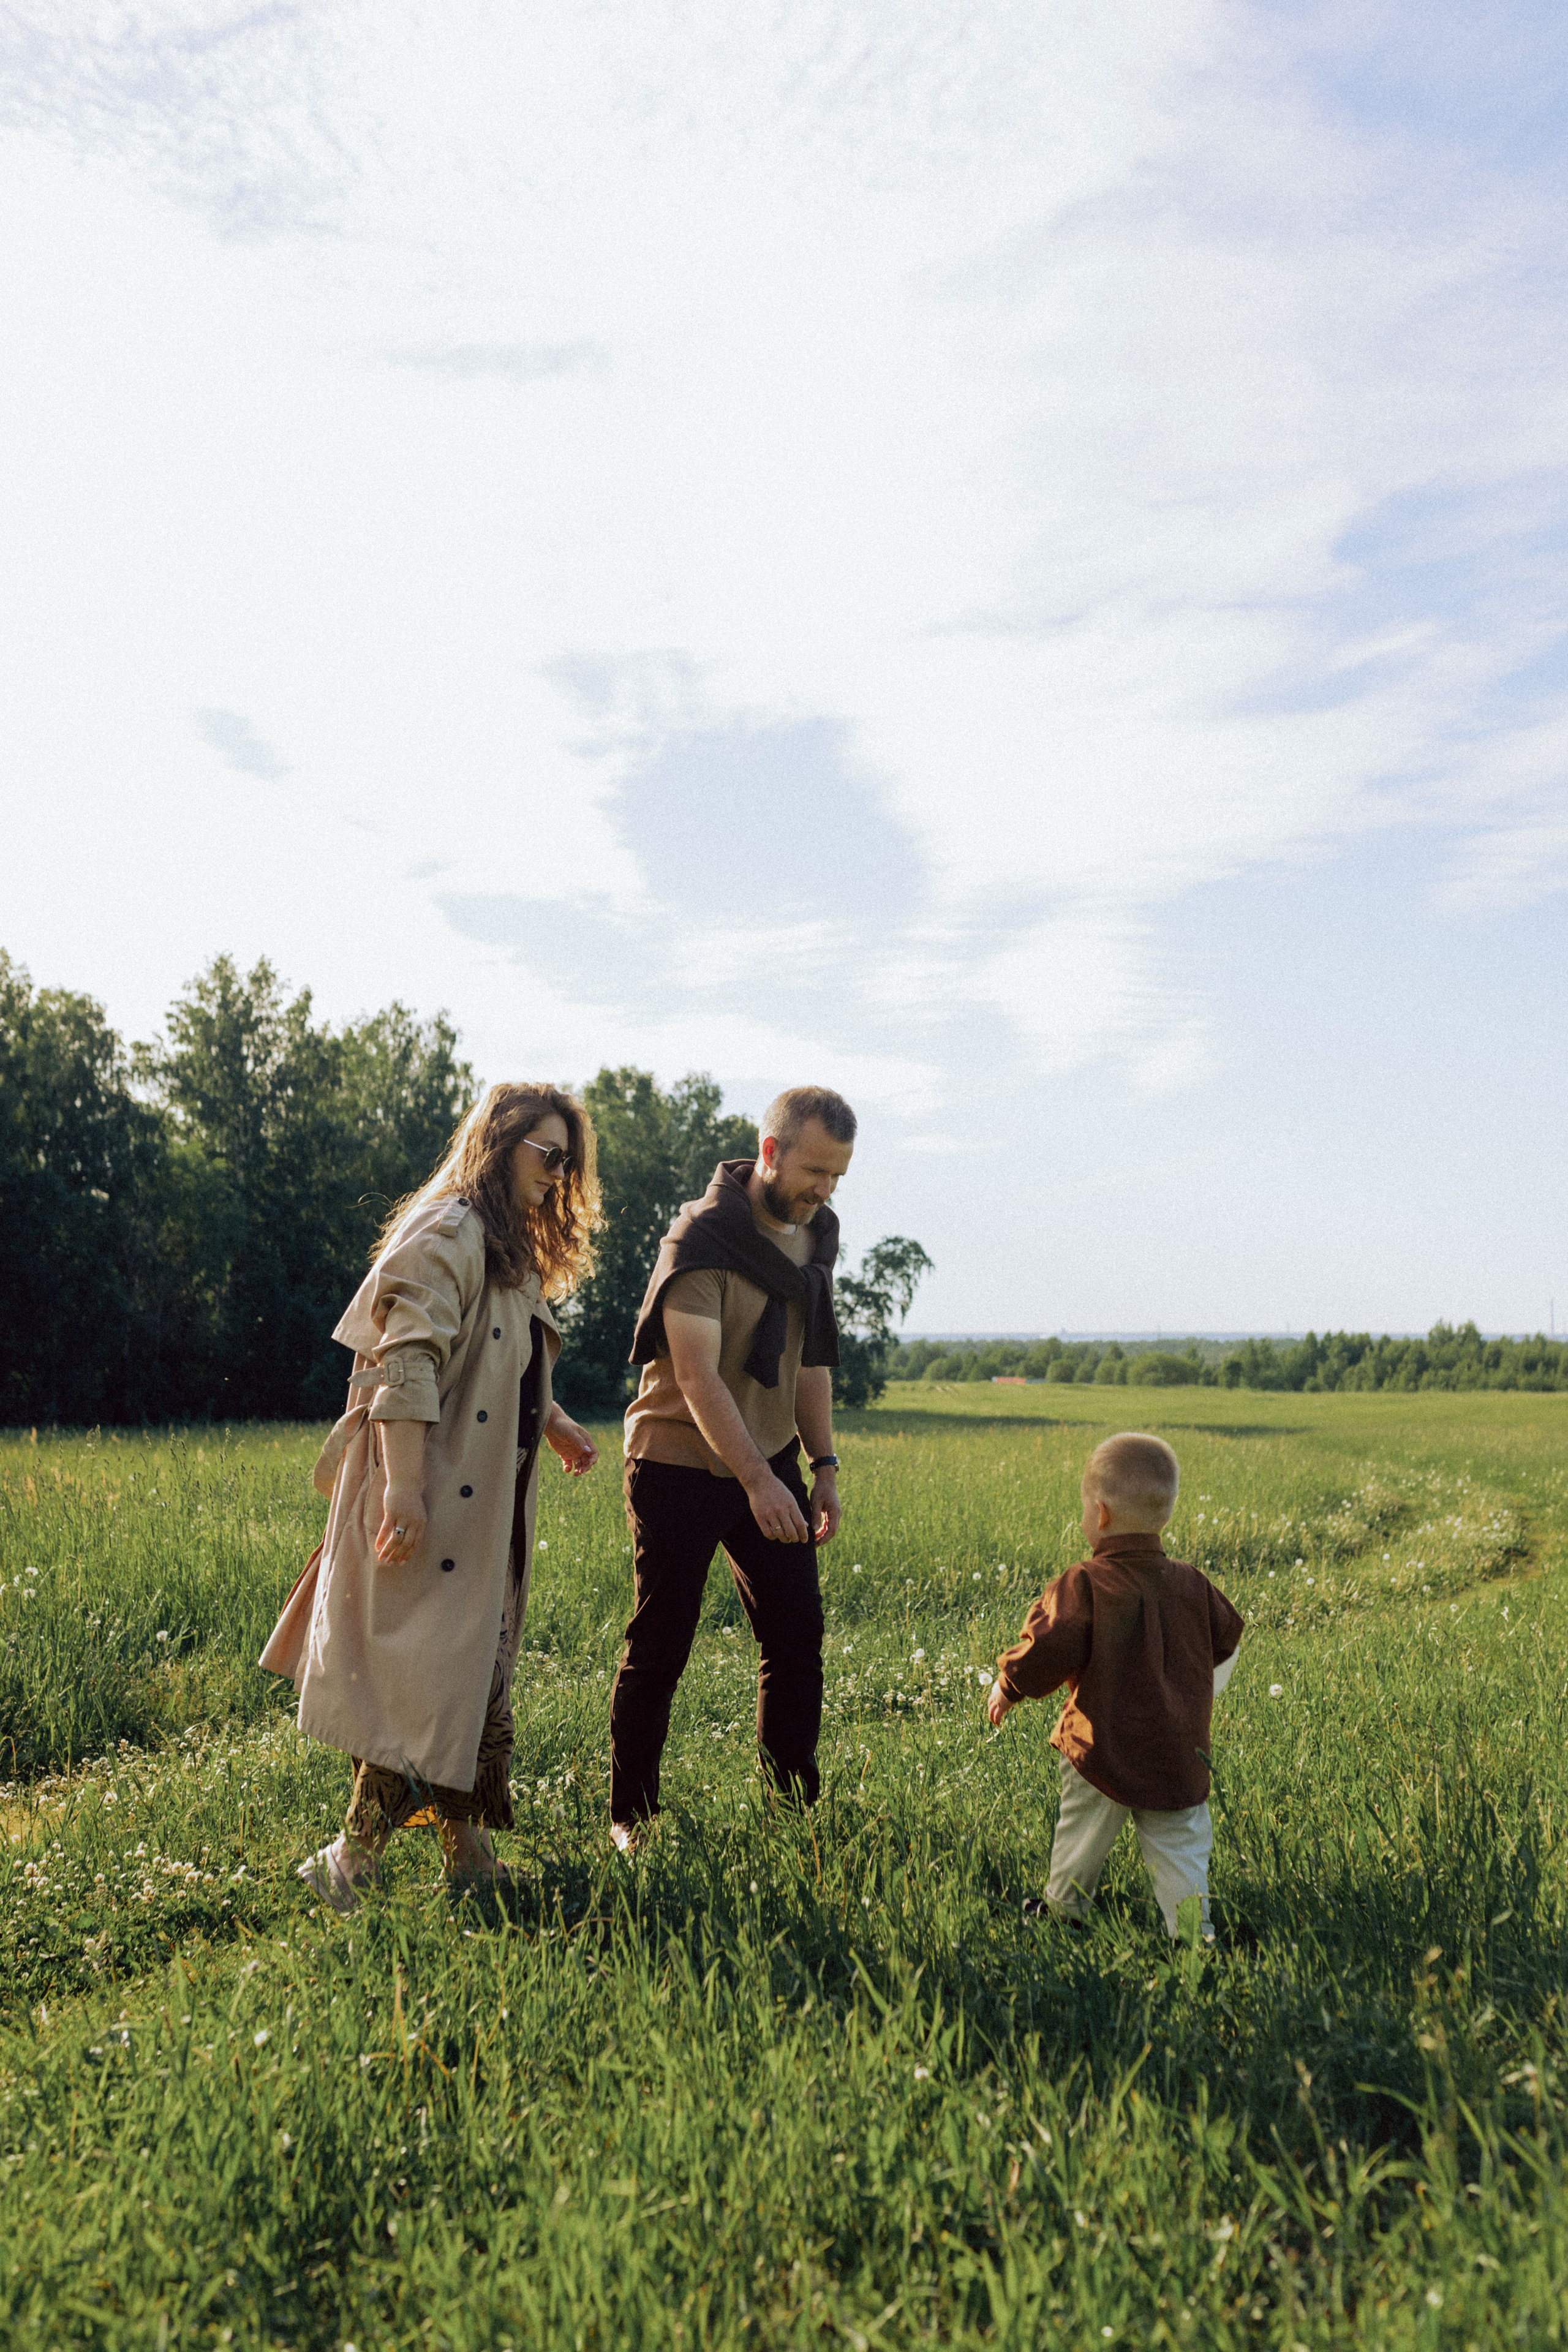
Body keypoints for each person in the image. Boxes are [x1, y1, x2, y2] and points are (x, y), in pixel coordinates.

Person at [260, 1082, 602, 1911]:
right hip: (425, 1495)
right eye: (545, 1155)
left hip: (472, 1503)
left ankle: (463, 1855)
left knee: (458, 1675)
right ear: (498, 1143)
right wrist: (404, 1491)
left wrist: (551, 1417)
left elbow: (494, 1361)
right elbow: (403, 1362)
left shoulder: (504, 1247)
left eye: (568, 1161)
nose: (557, 1175)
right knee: (424, 1677)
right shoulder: (448, 1229)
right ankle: (350, 1862)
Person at [606, 1086, 856, 1847]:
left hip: (769, 1458)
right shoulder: (704, 1236)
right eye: (814, 1170)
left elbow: (811, 1361)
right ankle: (632, 1820)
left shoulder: (817, 1237)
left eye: (839, 1175)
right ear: (771, 1153)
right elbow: (697, 1375)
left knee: (795, 1639)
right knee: (662, 1646)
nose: (824, 1190)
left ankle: (792, 1814)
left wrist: (821, 1467)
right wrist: (755, 1481)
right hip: (677, 1460)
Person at [984, 1431, 1243, 1941]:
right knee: (1181, 1845)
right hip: (1177, 1750)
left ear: (1099, 1514)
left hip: (1099, 1748)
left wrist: (1009, 1686)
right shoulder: (1193, 1583)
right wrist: (1201, 1693)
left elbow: (1047, 1649)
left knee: (1082, 1834)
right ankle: (1192, 1935)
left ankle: (1064, 1912)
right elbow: (1229, 1641)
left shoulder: (1083, 1583)